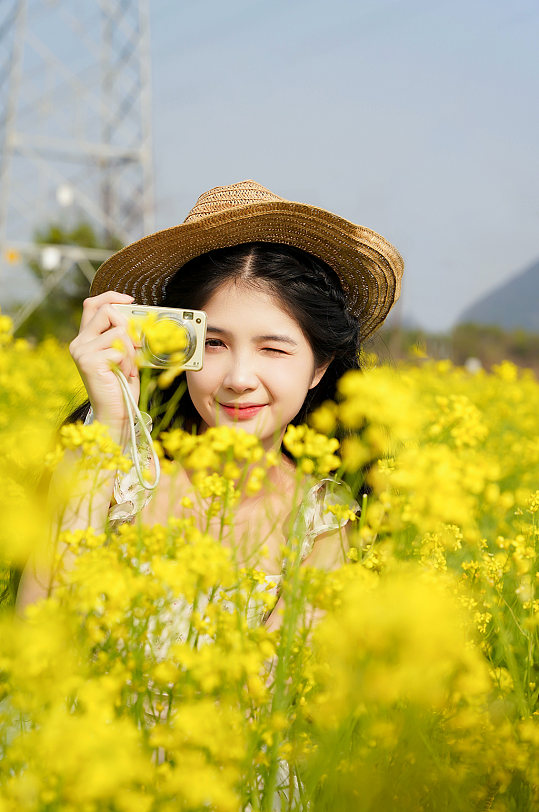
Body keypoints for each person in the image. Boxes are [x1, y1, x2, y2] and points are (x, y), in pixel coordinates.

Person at [16, 179, 403, 617]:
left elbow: (279, 679)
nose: (239, 379)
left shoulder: (323, 520)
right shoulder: (118, 476)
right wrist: (109, 419)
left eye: (273, 349)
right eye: (213, 343)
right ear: (175, 346)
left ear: (320, 366)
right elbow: (40, 630)